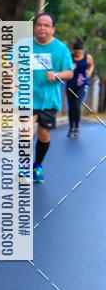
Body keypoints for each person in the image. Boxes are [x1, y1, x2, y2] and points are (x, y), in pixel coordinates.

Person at [31, 13, 74, 183]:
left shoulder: (61, 48)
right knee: (26, 132)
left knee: (43, 135)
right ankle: (24, 166)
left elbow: (69, 72)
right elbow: (10, 63)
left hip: (49, 99)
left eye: (46, 25)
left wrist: (56, 75)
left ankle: (37, 165)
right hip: (27, 97)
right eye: (39, 24)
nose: (42, 28)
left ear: (52, 29)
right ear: (35, 27)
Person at [66, 40, 94, 137]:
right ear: (74, 51)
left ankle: (77, 127)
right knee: (71, 106)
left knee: (77, 105)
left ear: (83, 50)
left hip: (82, 85)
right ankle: (71, 128)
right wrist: (70, 67)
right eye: (77, 52)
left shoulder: (87, 57)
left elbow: (91, 65)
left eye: (81, 52)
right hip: (70, 84)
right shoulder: (70, 57)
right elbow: (64, 69)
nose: (79, 54)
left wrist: (89, 72)